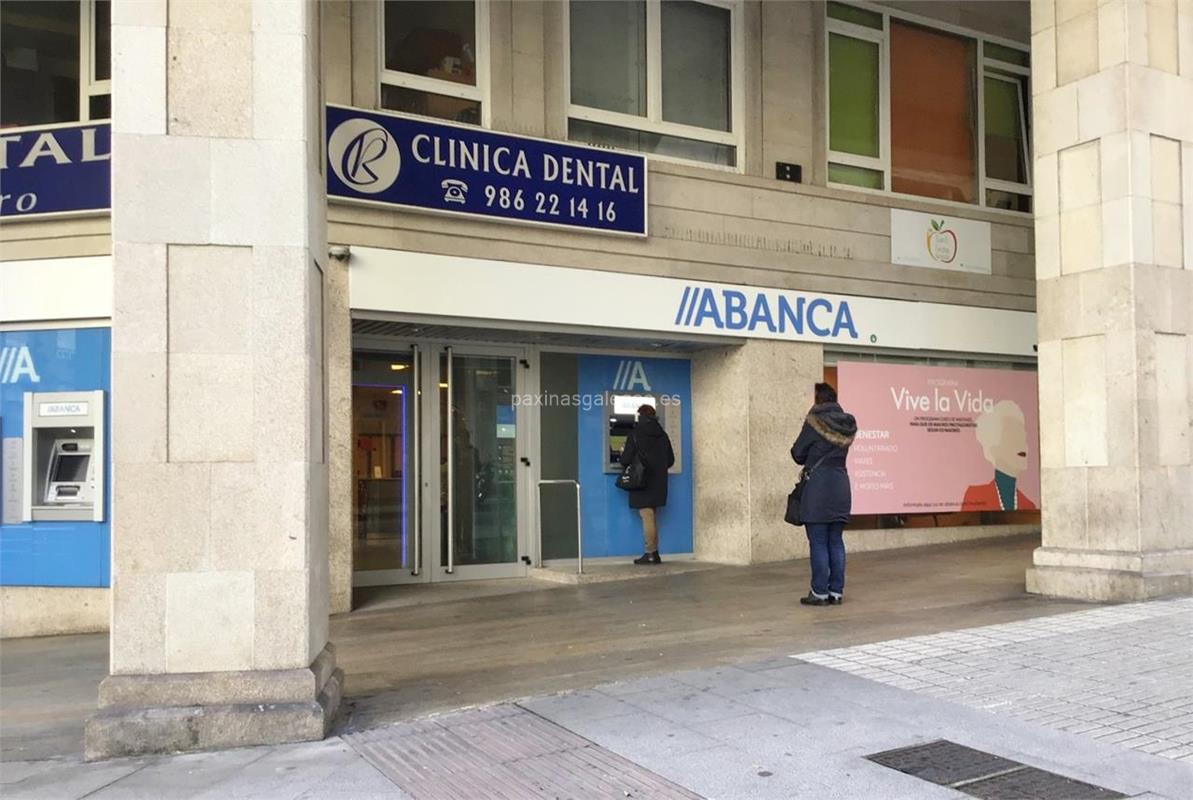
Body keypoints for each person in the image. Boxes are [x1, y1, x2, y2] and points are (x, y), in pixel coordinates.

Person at [791, 383, 858, 606]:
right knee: (836, 540)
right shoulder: (847, 424)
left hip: (818, 488)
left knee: (818, 541)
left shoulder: (814, 422)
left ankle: (819, 592)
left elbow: (797, 453)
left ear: (817, 399)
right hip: (840, 485)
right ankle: (836, 591)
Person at [619, 404, 675, 565]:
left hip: (642, 480)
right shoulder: (663, 435)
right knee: (651, 516)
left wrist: (623, 453)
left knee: (647, 516)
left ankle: (650, 553)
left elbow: (625, 459)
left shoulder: (635, 434)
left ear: (640, 416)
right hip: (658, 482)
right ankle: (654, 553)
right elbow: (670, 460)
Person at [962, 400, 1036, 511]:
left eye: (1023, 436)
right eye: (1013, 435)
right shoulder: (975, 496)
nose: (1022, 443)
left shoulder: (1029, 505)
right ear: (993, 447)